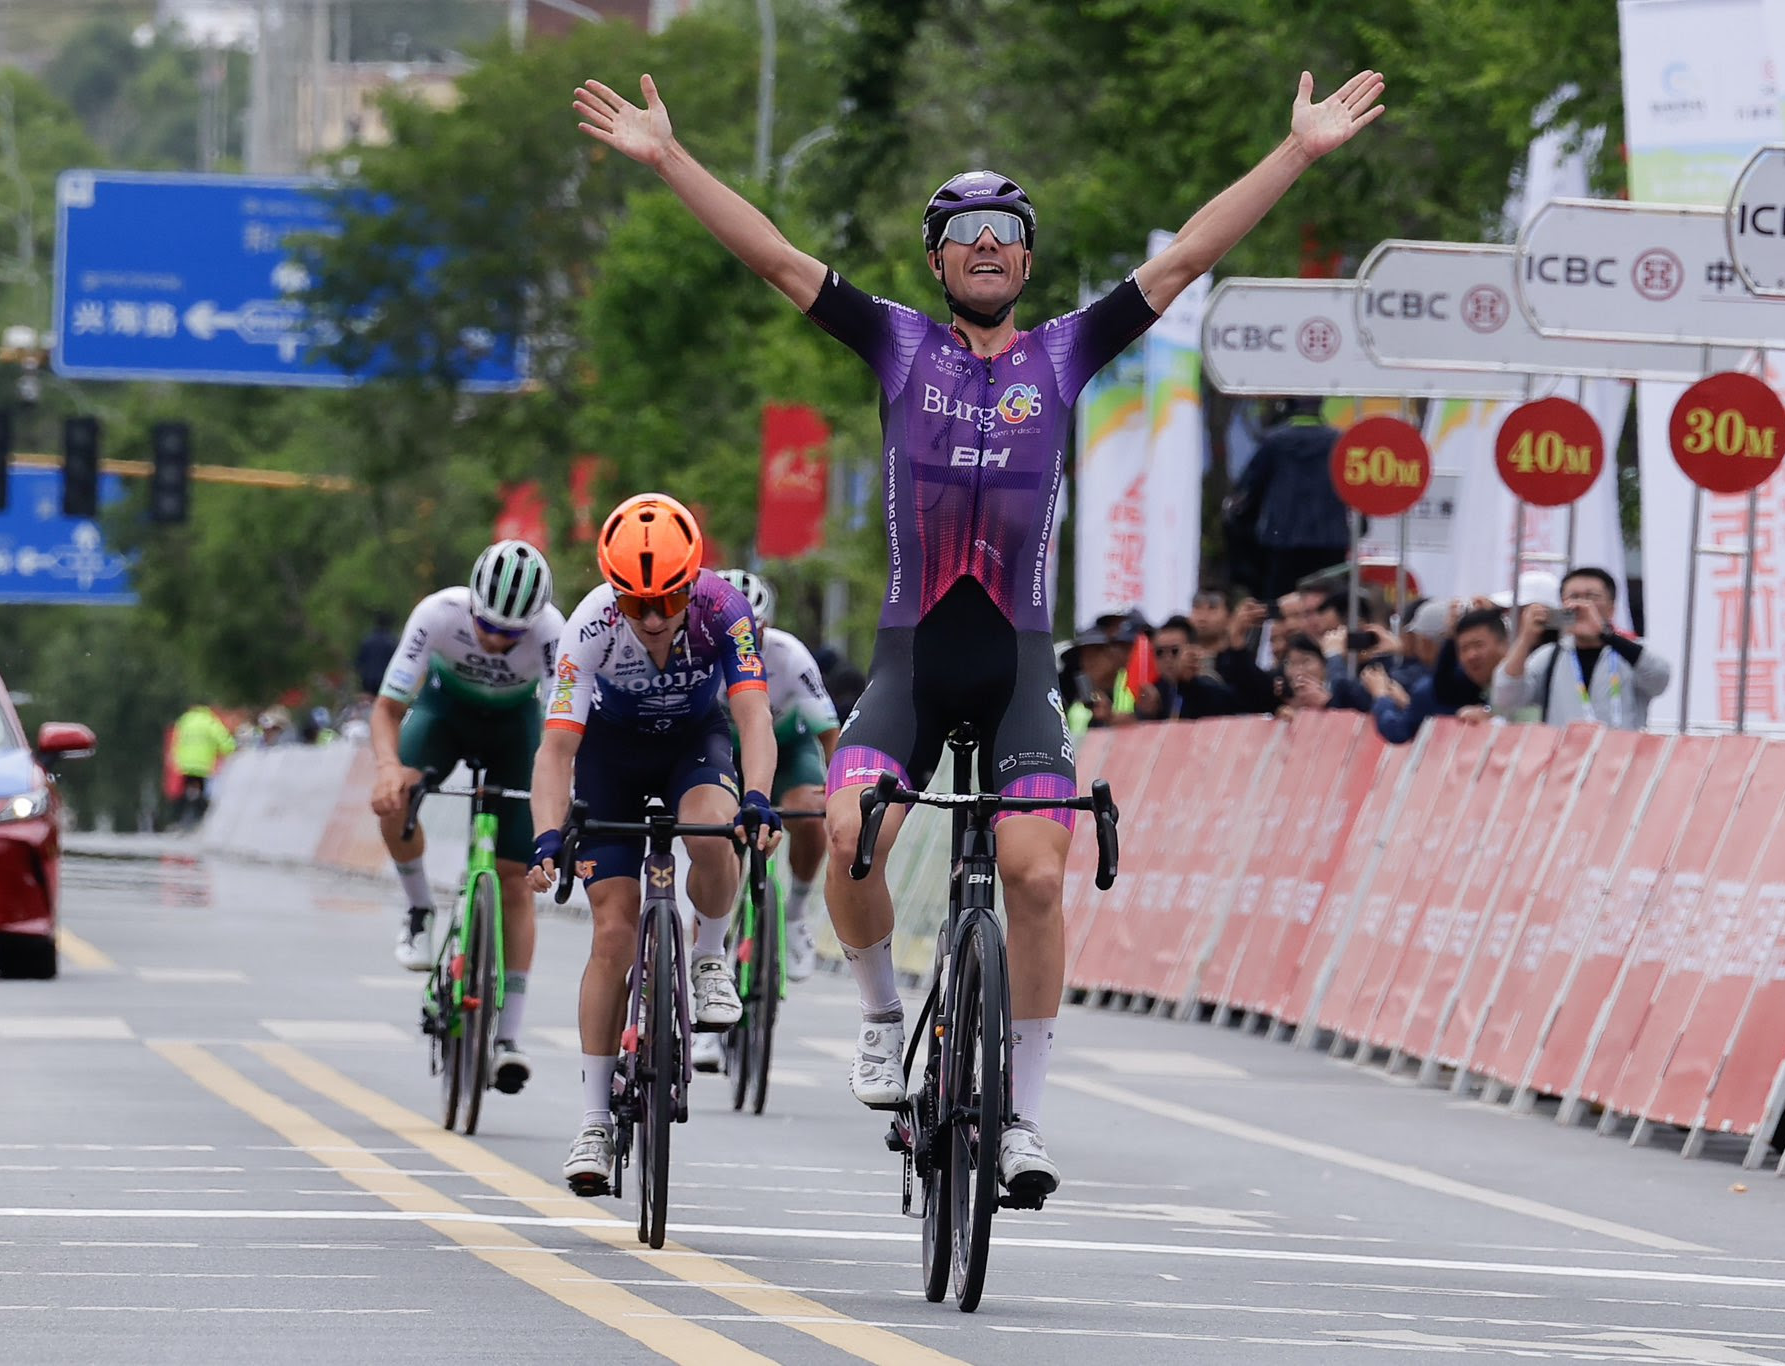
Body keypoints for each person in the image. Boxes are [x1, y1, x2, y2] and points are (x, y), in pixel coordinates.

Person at [572, 60, 1385, 1200]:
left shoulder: (1067, 351)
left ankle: (1023, 1121)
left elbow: (1189, 255)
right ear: (937, 260)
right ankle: (877, 1017)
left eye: (1008, 228)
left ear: (1029, 257)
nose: (990, 245)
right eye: (966, 232)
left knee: (1035, 875)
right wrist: (668, 160)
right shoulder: (898, 344)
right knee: (850, 819)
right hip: (911, 658)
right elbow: (769, 255)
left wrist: (1295, 152)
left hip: (1016, 668)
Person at [526, 494, 781, 1195]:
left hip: (692, 748)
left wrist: (757, 796)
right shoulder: (589, 627)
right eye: (634, 603)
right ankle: (593, 1121)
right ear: (613, 593)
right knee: (611, 933)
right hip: (610, 757)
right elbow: (554, 751)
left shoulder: (725, 609)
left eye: (666, 599)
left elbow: (754, 716)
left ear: (690, 581)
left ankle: (707, 958)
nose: (652, 618)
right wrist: (547, 834)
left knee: (715, 830)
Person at [369, 539, 563, 1096]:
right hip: (444, 715)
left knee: (516, 880)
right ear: (472, 602)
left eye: (512, 633)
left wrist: (560, 796)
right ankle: (420, 909)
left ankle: (508, 1038)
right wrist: (388, 768)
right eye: (488, 626)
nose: (498, 640)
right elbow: (387, 708)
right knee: (393, 802)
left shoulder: (553, 630)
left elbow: (563, 727)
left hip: (515, 731)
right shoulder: (438, 613)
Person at [718, 569, 839, 980]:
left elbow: (827, 732)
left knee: (810, 812)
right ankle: (712, 942)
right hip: (722, 748)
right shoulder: (696, 655)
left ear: (766, 626)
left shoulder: (790, 655)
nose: (739, 641)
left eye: (751, 630)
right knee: (718, 837)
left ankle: (795, 913)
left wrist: (840, 792)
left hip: (786, 746)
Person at [1491, 566, 1670, 729]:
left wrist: (1605, 634)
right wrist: (1525, 639)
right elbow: (1506, 697)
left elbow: (1660, 678)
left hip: (1620, 759)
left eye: (1592, 597)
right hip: (1564, 759)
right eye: (1573, 597)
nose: (1581, 605)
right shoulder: (1550, 655)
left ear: (1611, 608)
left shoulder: (1630, 651)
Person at [1231, 397, 1352, 601]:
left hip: (1282, 540)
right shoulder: (1340, 441)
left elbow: (1249, 491)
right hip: (1332, 540)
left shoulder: (1273, 442)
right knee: (1330, 604)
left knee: (1280, 607)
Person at [1364, 607, 1509, 744]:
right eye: (1464, 648)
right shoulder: (1438, 687)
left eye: (1478, 645)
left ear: (1505, 644)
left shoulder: (1426, 687)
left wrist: (1382, 697)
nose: (1471, 655)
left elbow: (1398, 730)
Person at [1136, 615, 1237, 720]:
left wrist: (1188, 683)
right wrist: (1149, 714)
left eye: (1175, 651)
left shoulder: (1208, 684)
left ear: (1193, 651)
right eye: (1159, 652)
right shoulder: (1156, 691)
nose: (1167, 658)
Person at [169, 701, 235, 831]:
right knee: (201, 792)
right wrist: (232, 749)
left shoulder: (185, 720)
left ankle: (181, 820)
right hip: (202, 764)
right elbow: (223, 740)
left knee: (187, 792)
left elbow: (176, 741)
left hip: (186, 764)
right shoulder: (209, 721)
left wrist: (175, 758)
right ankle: (199, 820)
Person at [355, 612, 399, 700]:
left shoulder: (367, 641)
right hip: (385, 680)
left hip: (367, 681)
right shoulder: (391, 642)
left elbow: (358, 663)